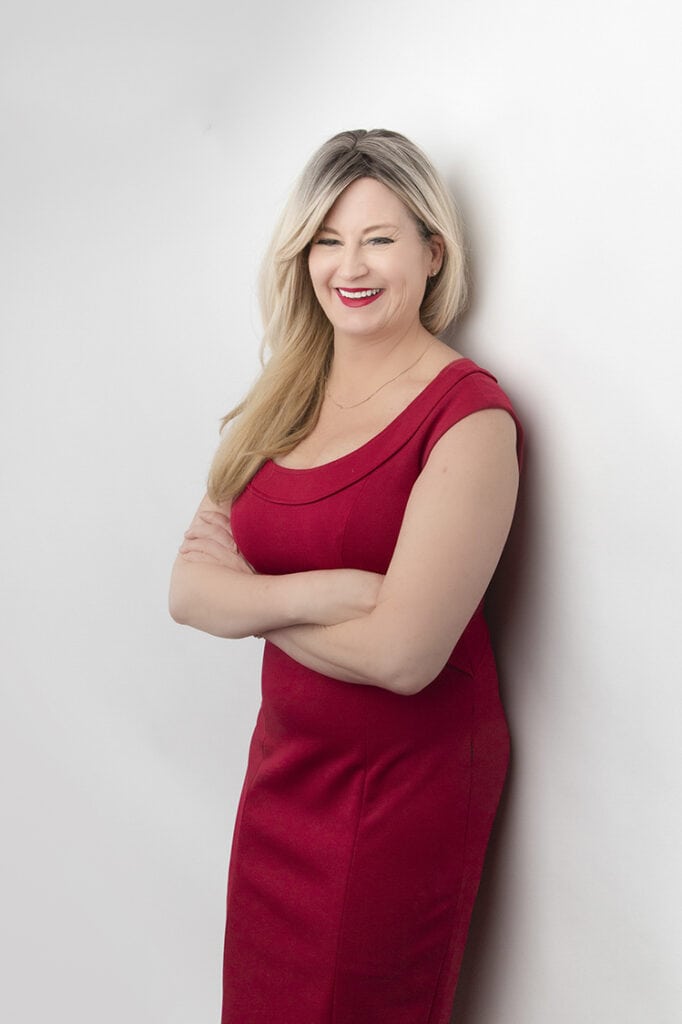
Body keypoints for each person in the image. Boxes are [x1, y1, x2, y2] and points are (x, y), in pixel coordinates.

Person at [169, 128, 523, 1024]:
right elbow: (187, 590)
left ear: (433, 252)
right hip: (284, 776)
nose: (347, 265)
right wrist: (320, 595)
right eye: (327, 239)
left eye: (378, 238)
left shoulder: (468, 416)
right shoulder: (284, 395)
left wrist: (243, 604)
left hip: (399, 792)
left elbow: (404, 654)